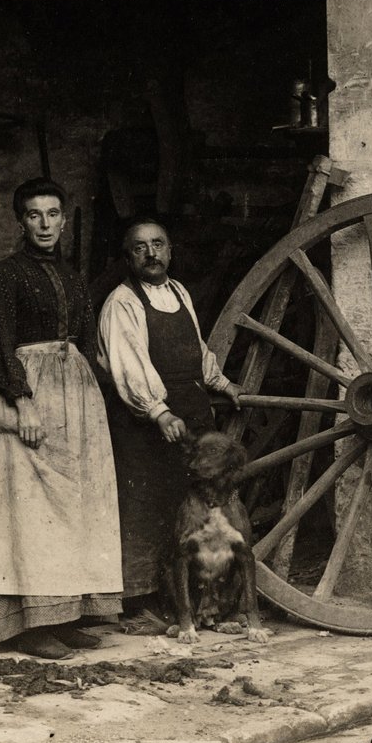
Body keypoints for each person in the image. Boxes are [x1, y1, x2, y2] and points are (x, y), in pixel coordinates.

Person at [0, 177, 123, 659]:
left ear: (63, 218)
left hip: (74, 396)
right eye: (35, 215)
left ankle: (68, 613)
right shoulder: (6, 274)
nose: (45, 224)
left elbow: (82, 338)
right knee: (31, 510)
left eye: (53, 214)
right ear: (20, 221)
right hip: (29, 395)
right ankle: (30, 625)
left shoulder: (72, 274)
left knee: (75, 505)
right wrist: (23, 401)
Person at [96, 218, 242, 611]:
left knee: (190, 503)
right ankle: (141, 598)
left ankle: (192, 594)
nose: (151, 253)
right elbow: (129, 366)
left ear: (170, 250)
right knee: (150, 505)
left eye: (158, 244)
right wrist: (158, 412)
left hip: (191, 412)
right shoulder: (122, 302)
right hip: (147, 422)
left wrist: (223, 383)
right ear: (128, 257)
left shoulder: (179, 291)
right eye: (140, 247)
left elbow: (196, 348)